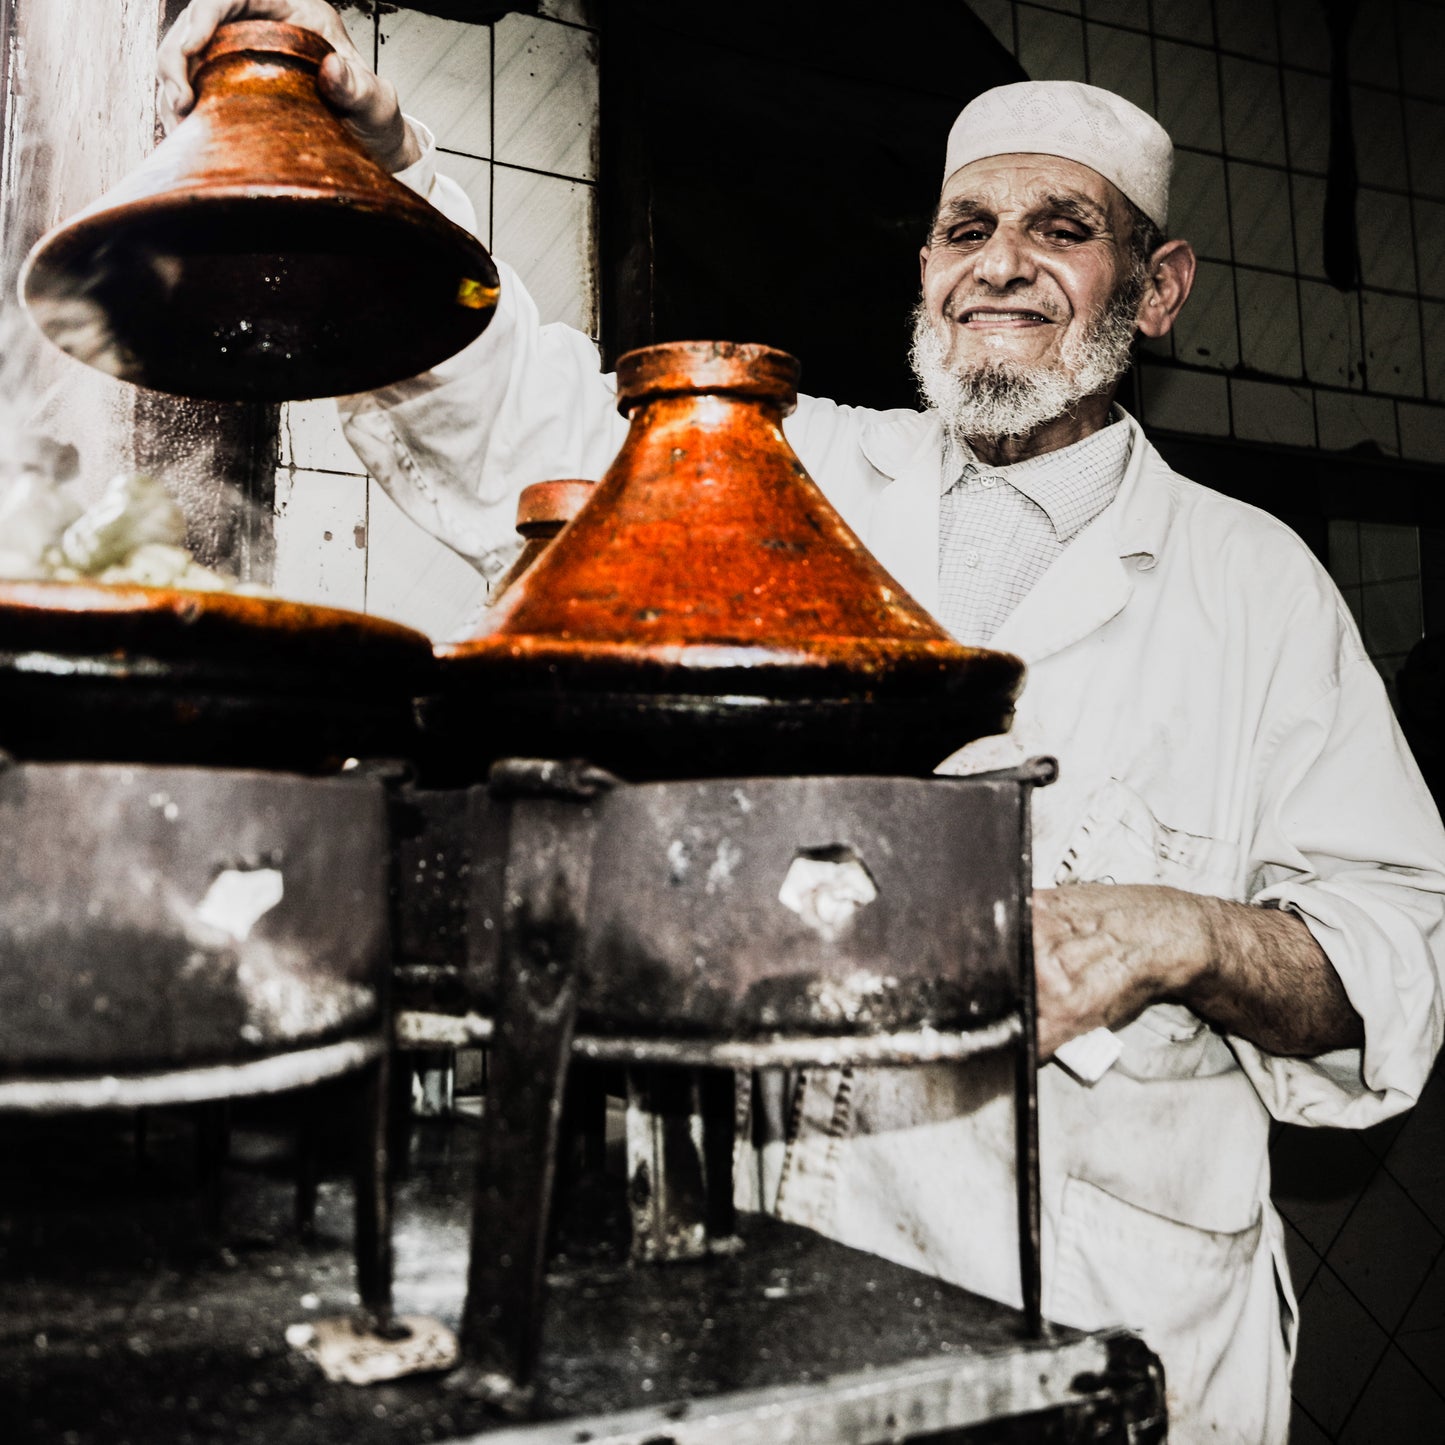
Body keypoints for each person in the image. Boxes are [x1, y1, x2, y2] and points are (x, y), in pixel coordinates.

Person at [161, 6, 1445, 1441]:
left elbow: (1390, 968)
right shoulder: (792, 470)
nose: (999, 264)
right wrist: (392, 186)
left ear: (1157, 289)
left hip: (1119, 1320)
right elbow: (522, 426)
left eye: (1060, 229)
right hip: (792, 1294)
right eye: (965, 229)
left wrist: (1187, 934)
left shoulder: (1256, 586)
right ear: (922, 270)